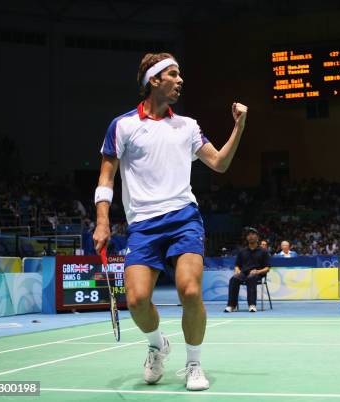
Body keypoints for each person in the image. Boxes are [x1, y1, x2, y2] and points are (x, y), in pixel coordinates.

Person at [93, 52, 247, 391]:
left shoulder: (187, 126)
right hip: (143, 225)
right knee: (136, 300)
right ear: (154, 80)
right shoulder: (123, 126)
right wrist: (102, 222)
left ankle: (194, 364)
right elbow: (106, 179)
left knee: (190, 290)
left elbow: (219, 163)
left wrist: (238, 127)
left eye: (180, 75)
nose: (180, 81)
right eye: (173, 75)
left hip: (183, 218)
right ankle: (156, 345)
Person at [225, 227, 271, 313]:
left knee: (251, 277)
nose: (251, 236)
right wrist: (237, 270)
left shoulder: (263, 252)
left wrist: (258, 271)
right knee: (234, 279)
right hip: (243, 273)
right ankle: (231, 305)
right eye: (249, 235)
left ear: (257, 237)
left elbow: (267, 268)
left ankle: (252, 305)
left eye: (253, 234)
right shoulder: (242, 251)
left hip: (257, 274)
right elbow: (237, 265)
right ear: (247, 238)